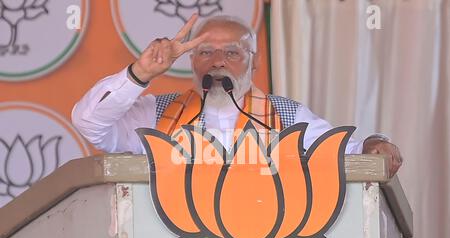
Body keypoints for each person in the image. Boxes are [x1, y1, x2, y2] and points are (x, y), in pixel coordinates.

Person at [72, 14, 403, 177]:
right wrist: (139, 74)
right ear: (190, 61)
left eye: (232, 53)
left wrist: (376, 143)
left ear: (254, 61)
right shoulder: (156, 113)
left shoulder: (287, 116)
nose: (217, 62)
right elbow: (89, 124)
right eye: (205, 53)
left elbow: (348, 152)